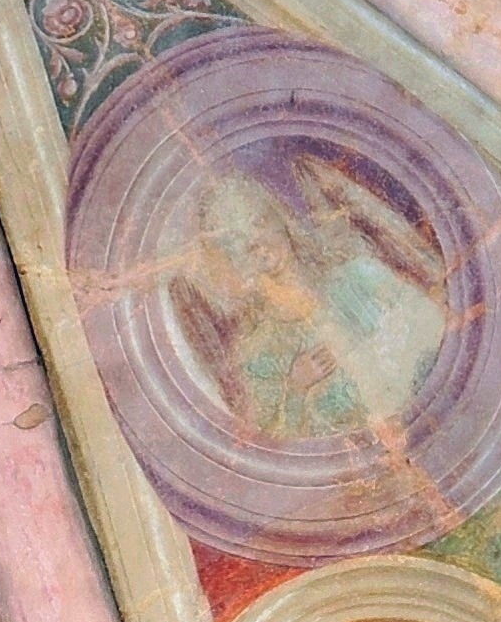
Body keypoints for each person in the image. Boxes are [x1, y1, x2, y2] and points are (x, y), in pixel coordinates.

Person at [171, 164, 445, 438]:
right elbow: (276, 448)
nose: (257, 246)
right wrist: (296, 389)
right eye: (237, 242)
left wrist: (382, 345)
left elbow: (436, 327)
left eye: (258, 224)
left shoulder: (361, 276)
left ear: (278, 218)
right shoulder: (257, 352)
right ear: (232, 260)